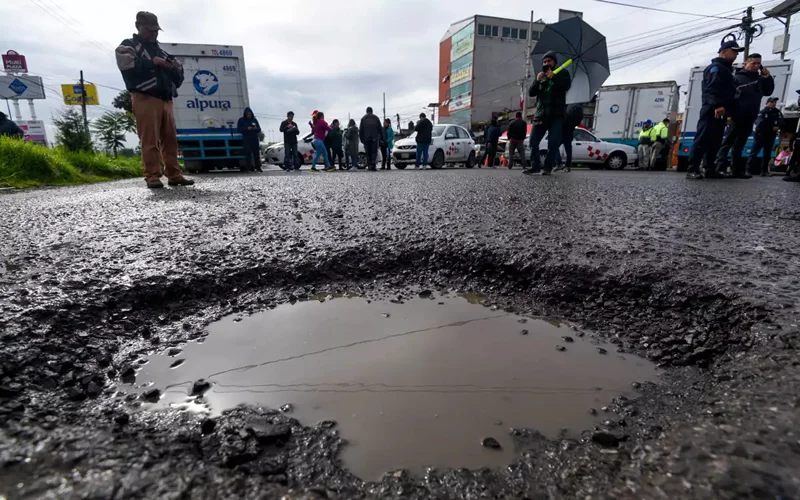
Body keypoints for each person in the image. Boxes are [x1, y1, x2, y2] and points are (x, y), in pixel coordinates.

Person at [115, 11, 193, 189]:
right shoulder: (128, 46)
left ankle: (174, 174)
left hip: (166, 100)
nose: (154, 33)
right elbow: (127, 67)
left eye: (156, 30)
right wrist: (153, 63)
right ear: (138, 27)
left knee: (170, 140)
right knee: (149, 140)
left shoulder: (162, 51)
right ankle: (152, 176)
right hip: (145, 98)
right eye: (150, 30)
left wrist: (173, 68)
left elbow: (179, 79)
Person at [685, 40, 743, 180]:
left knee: (715, 141)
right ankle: (692, 169)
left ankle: (709, 168)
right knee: (703, 139)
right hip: (712, 109)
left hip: (722, 110)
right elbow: (711, 89)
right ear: (724, 52)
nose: (736, 55)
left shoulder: (727, 69)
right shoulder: (716, 68)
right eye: (733, 51)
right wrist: (717, 106)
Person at [715, 53, 774, 178]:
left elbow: (768, 92)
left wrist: (768, 78)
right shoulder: (737, 78)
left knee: (740, 143)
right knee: (728, 141)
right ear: (746, 63)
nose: (756, 66)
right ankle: (720, 167)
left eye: (759, 64)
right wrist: (729, 114)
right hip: (736, 114)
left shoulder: (760, 79)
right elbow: (729, 96)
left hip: (750, 115)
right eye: (754, 63)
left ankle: (736, 170)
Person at [526, 51, 572, 176]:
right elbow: (531, 93)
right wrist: (537, 81)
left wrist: (554, 77)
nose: (547, 63)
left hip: (556, 115)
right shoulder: (541, 76)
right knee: (533, 142)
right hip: (541, 114)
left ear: (555, 62)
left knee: (553, 143)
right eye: (545, 61)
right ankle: (535, 166)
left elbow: (566, 86)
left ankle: (548, 167)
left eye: (549, 61)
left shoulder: (562, 73)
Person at [748, 97, 783, 177]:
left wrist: (778, 126)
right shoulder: (762, 112)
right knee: (754, 153)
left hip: (771, 136)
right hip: (760, 135)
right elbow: (760, 123)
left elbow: (782, 122)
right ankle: (748, 170)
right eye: (771, 102)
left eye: (774, 102)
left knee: (767, 154)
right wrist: (771, 127)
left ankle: (764, 171)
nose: (773, 103)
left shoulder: (777, 112)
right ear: (767, 103)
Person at [559, 103, 584, 172]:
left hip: (563, 130)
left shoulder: (568, 105)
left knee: (554, 147)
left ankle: (559, 163)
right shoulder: (579, 107)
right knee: (568, 149)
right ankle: (568, 165)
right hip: (570, 130)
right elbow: (579, 121)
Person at [237, 107, 262, 172]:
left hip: (254, 138)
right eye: (248, 114)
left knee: (256, 153)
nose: (249, 115)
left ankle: (258, 167)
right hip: (246, 138)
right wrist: (247, 129)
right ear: (245, 114)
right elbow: (239, 129)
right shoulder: (241, 120)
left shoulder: (254, 120)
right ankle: (249, 167)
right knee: (247, 153)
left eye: (250, 114)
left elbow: (259, 129)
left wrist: (254, 129)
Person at [359, 107, 383, 171]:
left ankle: (369, 165)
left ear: (366, 111)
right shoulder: (376, 118)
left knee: (368, 153)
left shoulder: (363, 118)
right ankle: (373, 165)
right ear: (372, 111)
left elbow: (361, 130)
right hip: (374, 138)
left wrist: (362, 140)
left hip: (366, 139)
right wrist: (382, 138)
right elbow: (380, 129)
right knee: (374, 152)